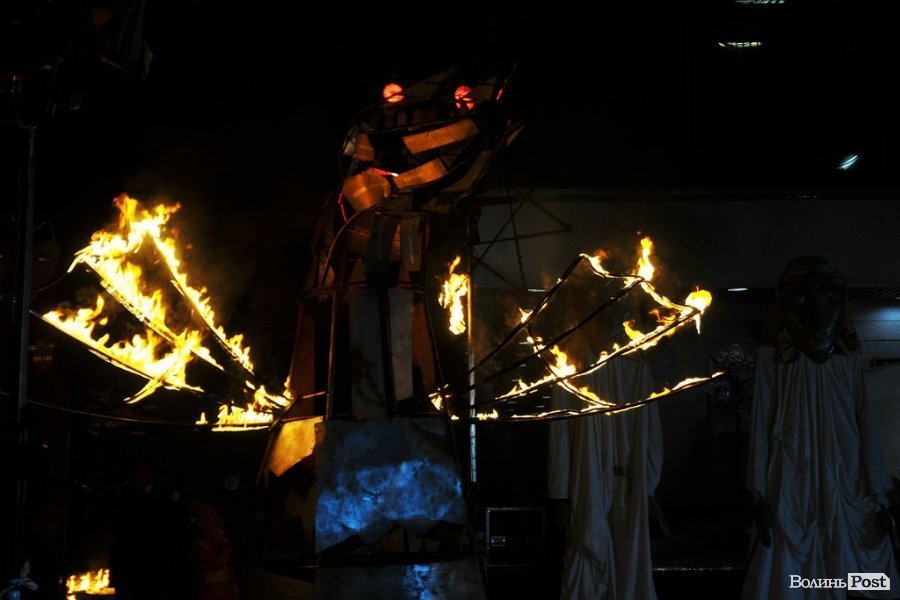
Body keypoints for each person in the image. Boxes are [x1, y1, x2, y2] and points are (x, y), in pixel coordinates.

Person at [742, 256, 898, 599]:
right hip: (794, 468)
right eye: (799, 297)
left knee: (844, 547)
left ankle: (835, 588)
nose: (816, 312)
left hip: (843, 467)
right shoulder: (774, 360)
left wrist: (878, 490)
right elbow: (763, 422)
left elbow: (863, 419)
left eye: (829, 296)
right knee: (798, 538)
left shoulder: (846, 362)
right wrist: (758, 490)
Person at [548, 355, 663, 599]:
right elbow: (560, 430)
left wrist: (648, 485)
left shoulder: (637, 367)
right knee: (593, 544)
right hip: (592, 477)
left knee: (625, 553)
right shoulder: (570, 362)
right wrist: (560, 491)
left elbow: (651, 432)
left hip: (624, 480)